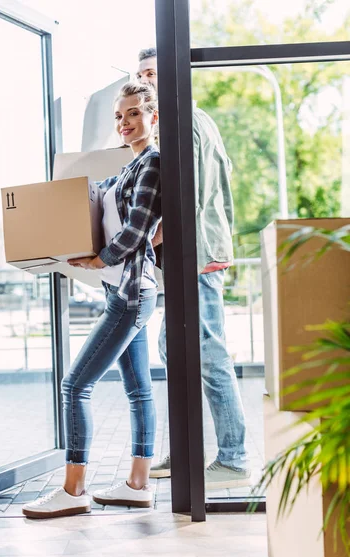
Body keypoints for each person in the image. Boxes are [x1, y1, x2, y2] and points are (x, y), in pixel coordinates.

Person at [22, 82, 161, 518]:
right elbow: (92, 198)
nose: (125, 122)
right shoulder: (127, 167)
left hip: (130, 292)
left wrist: (100, 259)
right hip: (122, 292)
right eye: (119, 116)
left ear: (153, 118)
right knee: (138, 389)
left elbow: (137, 231)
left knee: (74, 385)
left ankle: (74, 488)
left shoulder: (152, 163)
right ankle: (138, 484)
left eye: (134, 113)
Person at [137, 48, 251, 489]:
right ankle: (187, 450)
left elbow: (193, 195)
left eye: (154, 73)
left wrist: (147, 234)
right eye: (142, 74)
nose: (147, 80)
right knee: (177, 348)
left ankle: (235, 458)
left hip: (200, 255)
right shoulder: (173, 123)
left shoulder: (187, 120)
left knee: (207, 351)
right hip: (194, 255)